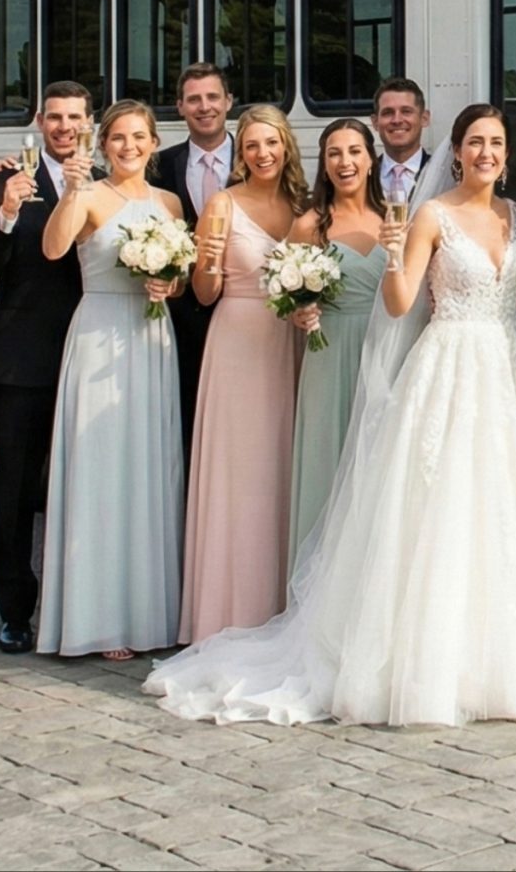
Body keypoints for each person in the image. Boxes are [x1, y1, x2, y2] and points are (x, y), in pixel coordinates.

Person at [147, 103, 516, 726]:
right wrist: (392, 257)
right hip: (449, 362)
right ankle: (426, 661)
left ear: (506, 151)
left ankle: (503, 655)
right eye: (473, 143)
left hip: (505, 368)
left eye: (495, 143)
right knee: (438, 510)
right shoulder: (429, 216)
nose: (485, 153)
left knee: (501, 505)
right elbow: (402, 298)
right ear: (458, 151)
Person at [40, 99, 188, 661]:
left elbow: (178, 276)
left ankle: (147, 611)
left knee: (149, 468)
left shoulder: (170, 202)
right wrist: (74, 192)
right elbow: (54, 248)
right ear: (103, 146)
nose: (129, 147)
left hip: (151, 337)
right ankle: (98, 617)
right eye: (118, 138)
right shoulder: (91, 195)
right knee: (100, 467)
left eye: (139, 137)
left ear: (153, 144)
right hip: (100, 330)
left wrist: (167, 286)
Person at [0, 80, 92, 652]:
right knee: (15, 493)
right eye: (55, 117)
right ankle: (15, 610)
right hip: (24, 357)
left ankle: (85, 604)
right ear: (40, 120)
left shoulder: (108, 177)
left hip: (94, 354)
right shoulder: (4, 181)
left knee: (85, 488)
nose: (65, 127)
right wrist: (9, 211)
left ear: (89, 123)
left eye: (75, 117)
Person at [179, 105, 307, 645]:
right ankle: (231, 609)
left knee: (285, 469)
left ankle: (287, 604)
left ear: (286, 146)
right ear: (240, 152)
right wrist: (206, 262)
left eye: (271, 143)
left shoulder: (305, 206)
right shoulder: (221, 205)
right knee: (240, 476)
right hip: (236, 342)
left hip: (294, 345)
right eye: (251, 145)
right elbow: (204, 294)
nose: (262, 154)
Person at [287, 118, 391, 569]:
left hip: (387, 351)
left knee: (381, 468)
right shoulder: (309, 225)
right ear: (324, 164)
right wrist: (299, 311)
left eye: (354, 151)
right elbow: (287, 297)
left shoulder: (396, 218)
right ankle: (319, 581)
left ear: (371, 159)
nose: (344, 162)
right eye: (333, 153)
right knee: (328, 466)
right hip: (329, 354)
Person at [150, 63, 233, 447]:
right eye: (194, 99)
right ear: (180, 107)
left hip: (241, 314)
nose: (205, 107)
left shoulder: (259, 159)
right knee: (182, 422)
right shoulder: (160, 166)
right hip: (180, 318)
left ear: (229, 102)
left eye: (213, 97)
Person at [372, 78, 434, 205]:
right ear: (375, 122)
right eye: (387, 113)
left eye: (406, 111)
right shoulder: (364, 176)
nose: (397, 120)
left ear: (424, 118)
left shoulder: (441, 173)